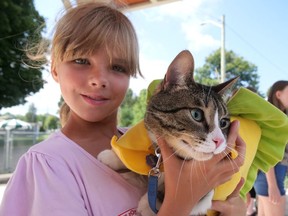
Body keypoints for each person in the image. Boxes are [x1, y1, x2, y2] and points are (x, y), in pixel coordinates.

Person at [0, 2, 246, 216]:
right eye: (81, 61)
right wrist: (183, 200)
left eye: (117, 67)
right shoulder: (46, 165)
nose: (99, 79)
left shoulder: (152, 146)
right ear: (54, 68)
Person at [254, 80, 288, 216]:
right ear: (278, 94)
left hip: (269, 176)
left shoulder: (280, 118)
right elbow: (266, 151)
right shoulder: (273, 118)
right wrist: (273, 186)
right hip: (270, 176)